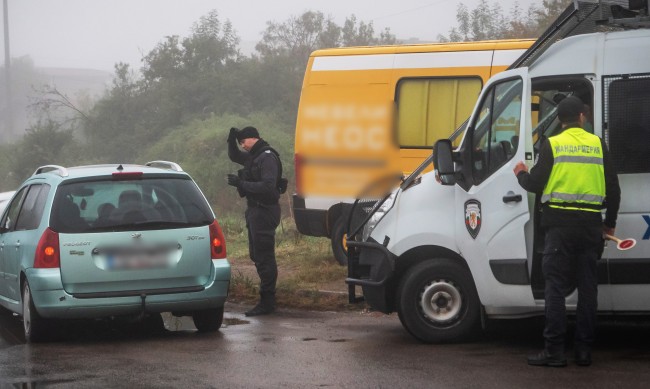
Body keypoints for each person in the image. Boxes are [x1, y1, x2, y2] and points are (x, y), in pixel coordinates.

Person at [513, 96, 621, 367]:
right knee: (587, 290)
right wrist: (609, 223)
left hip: (560, 229)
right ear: (582, 118)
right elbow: (614, 189)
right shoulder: (598, 144)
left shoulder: (553, 144)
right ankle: (583, 352)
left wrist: (520, 173)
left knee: (556, 290)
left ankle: (554, 352)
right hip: (590, 229)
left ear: (560, 120)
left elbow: (536, 184)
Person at [226, 126, 282, 316]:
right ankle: (266, 300)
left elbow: (268, 186)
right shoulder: (254, 156)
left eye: (243, 142)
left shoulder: (266, 157)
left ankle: (268, 302)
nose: (242, 147)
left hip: (265, 210)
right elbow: (234, 156)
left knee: (264, 256)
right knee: (257, 254)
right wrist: (231, 140)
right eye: (240, 143)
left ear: (252, 139)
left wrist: (241, 184)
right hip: (255, 210)